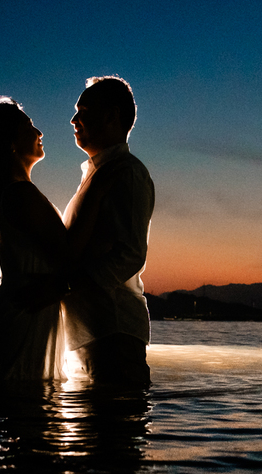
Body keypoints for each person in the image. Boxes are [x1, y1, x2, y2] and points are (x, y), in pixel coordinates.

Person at [0, 98, 71, 383]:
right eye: (30, 125)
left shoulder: (15, 194)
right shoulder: (20, 195)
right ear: (11, 142)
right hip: (23, 319)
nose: (40, 132)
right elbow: (71, 256)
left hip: (18, 316)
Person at [61, 76, 155, 388]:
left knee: (114, 428)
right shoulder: (98, 173)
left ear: (112, 116)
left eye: (83, 110)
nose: (74, 119)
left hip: (112, 329)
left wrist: (72, 286)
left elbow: (130, 254)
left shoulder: (126, 173)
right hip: (93, 328)